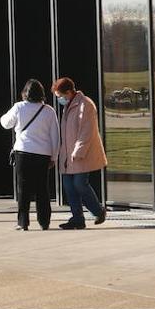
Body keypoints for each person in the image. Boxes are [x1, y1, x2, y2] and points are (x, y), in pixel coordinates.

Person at [0, 78, 61, 231]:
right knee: (42, 189)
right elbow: (55, 136)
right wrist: (54, 156)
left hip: (23, 152)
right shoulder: (49, 111)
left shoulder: (19, 107)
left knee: (23, 189)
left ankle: (23, 222)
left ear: (25, 93)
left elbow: (5, 123)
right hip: (43, 154)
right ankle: (44, 221)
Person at [54, 76, 108, 229]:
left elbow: (87, 131)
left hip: (80, 154)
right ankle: (77, 218)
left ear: (69, 92)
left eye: (60, 96)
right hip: (68, 155)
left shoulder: (85, 105)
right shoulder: (69, 105)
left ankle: (98, 210)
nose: (60, 99)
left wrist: (78, 151)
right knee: (69, 186)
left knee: (79, 184)